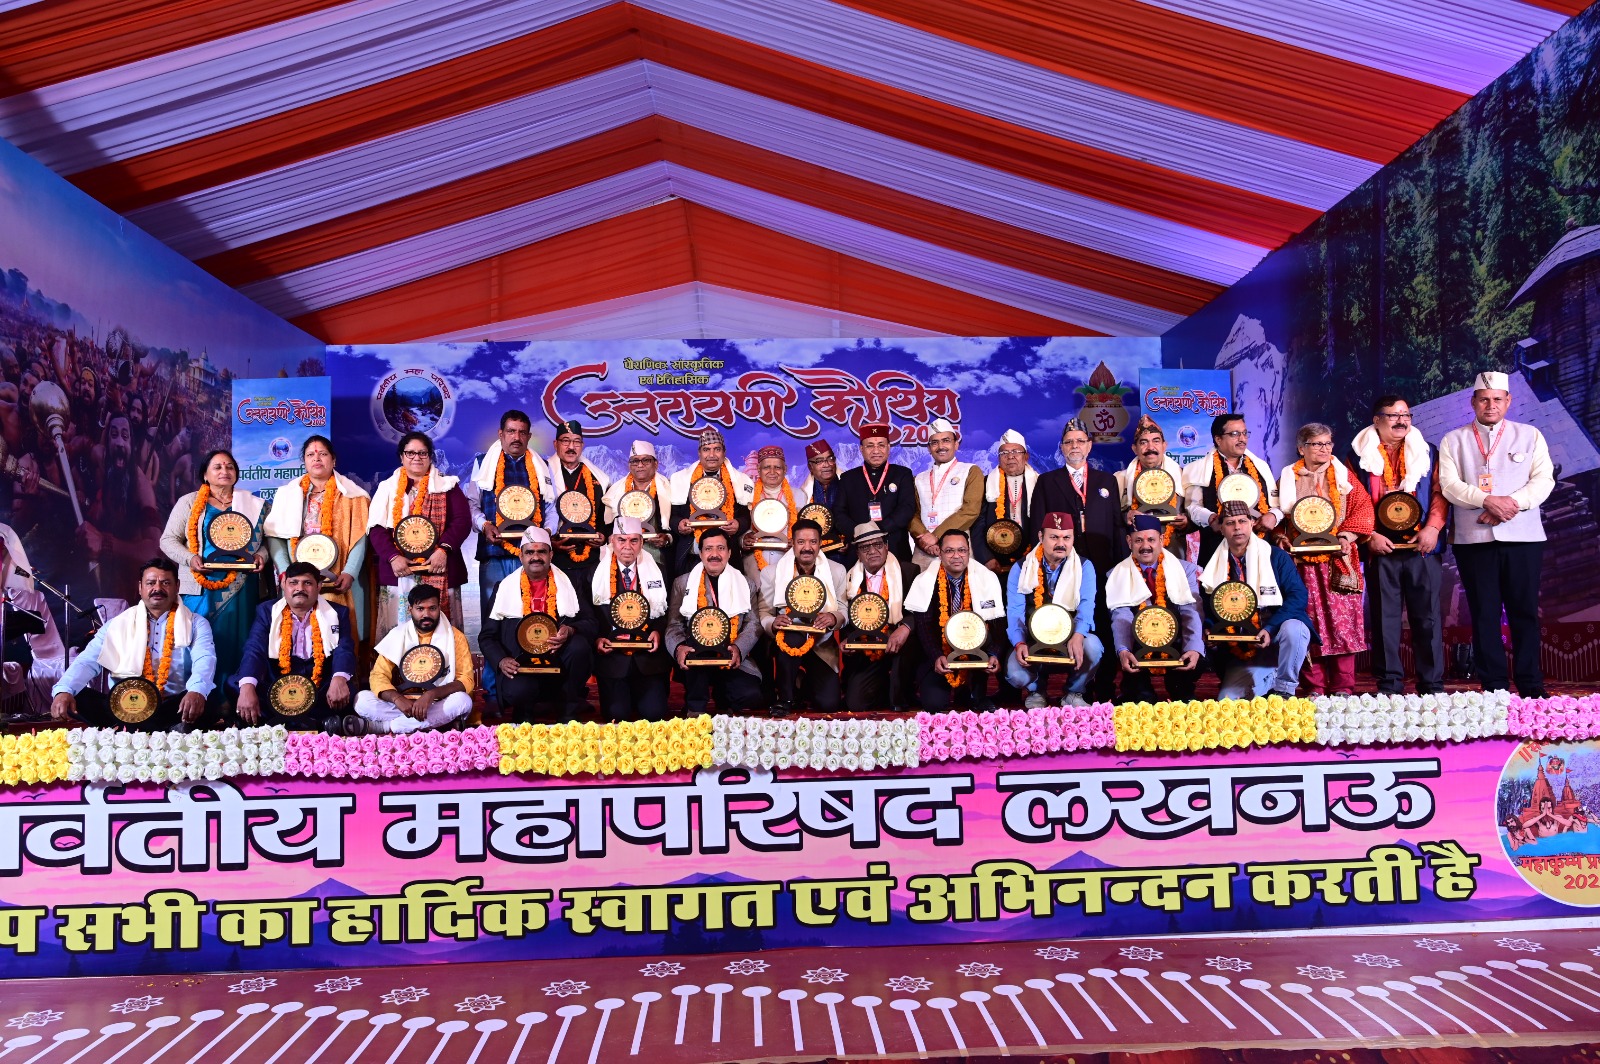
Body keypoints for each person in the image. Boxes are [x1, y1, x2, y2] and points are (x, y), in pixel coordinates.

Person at [1438, 371, 1553, 698]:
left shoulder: (1529, 435)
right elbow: (1449, 485)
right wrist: (1486, 500)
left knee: (1524, 611)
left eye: (1497, 399)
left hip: (1524, 538)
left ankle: (1531, 685)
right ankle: (1494, 687)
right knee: (1484, 613)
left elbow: (1543, 480)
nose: (1491, 405)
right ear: (1473, 402)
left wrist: (1510, 504)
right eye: (1484, 399)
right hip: (1474, 540)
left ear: (1508, 401)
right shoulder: (1454, 440)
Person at [1349, 395, 1448, 694]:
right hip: (1380, 546)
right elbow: (1351, 499)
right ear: (1376, 420)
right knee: (1384, 619)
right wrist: (1368, 535)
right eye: (1393, 415)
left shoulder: (1428, 451)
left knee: (1428, 617)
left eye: (1406, 415)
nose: (1401, 421)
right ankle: (1390, 684)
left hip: (1422, 545)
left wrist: (1433, 528)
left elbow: (1440, 492)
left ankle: (1432, 684)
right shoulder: (1357, 454)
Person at [50, 557, 216, 730]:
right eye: (150, 583)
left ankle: (127, 730)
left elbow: (204, 658)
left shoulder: (195, 623)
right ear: (140, 587)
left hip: (171, 706)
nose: (157, 588)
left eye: (165, 583)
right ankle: (146, 728)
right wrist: (64, 690)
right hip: (124, 706)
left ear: (177, 587)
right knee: (76, 695)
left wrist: (196, 691)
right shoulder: (117, 624)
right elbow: (88, 661)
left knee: (206, 697)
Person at [1028, 419, 1123, 700]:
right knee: (1054, 619)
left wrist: (1119, 566)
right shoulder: (1047, 481)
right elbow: (1037, 527)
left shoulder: (1107, 481)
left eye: (1080, 441)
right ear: (1061, 447)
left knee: (1102, 623)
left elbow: (1117, 526)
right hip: (1060, 567)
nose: (1075, 446)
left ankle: (1102, 685)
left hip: (1102, 565)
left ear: (1089, 446)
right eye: (1069, 442)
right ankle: (1047, 687)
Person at [1278, 423, 1374, 696]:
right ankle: (1314, 686)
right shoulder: (1287, 479)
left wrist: (1346, 536)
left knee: (1342, 625)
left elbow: (1364, 509)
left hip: (1338, 561)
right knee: (1308, 622)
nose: (1324, 449)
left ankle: (1343, 686)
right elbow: (1275, 514)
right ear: (1301, 449)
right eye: (1317, 444)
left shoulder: (1344, 477)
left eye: (1328, 443)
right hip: (1302, 566)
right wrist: (1280, 537)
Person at [159, 448, 266, 687]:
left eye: (229, 466)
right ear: (205, 475)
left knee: (239, 641)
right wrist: (190, 558)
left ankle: (235, 696)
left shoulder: (253, 504)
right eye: (217, 467)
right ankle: (198, 696)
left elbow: (266, 543)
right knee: (200, 641)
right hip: (200, 585)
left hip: (241, 585)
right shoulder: (189, 502)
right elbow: (167, 540)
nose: (224, 471)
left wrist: (261, 555)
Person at [262, 435, 371, 639]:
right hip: (297, 582)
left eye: (323, 454)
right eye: (310, 454)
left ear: (333, 460)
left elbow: (360, 537)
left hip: (338, 579)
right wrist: (286, 573)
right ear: (304, 461)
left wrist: (350, 572)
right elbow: (275, 537)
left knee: (340, 637)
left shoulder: (353, 495)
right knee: (297, 638)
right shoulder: (287, 495)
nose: (317, 458)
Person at [480, 527, 593, 722]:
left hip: (558, 661)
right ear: (521, 556)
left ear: (551, 554)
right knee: (520, 690)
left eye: (541, 551)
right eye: (529, 552)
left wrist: (571, 629)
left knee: (579, 646)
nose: (536, 557)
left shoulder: (570, 584)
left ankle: (567, 711)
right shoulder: (504, 587)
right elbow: (487, 636)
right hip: (520, 665)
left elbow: (591, 622)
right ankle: (524, 712)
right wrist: (502, 660)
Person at [367, 431, 472, 643]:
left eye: (422, 453)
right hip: (400, 572)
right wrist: (393, 557)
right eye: (411, 453)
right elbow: (376, 529)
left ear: (430, 456)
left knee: (444, 637)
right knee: (398, 639)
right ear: (401, 457)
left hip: (441, 567)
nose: (417, 457)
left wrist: (443, 550)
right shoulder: (387, 488)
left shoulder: (448, 486)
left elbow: (462, 521)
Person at [1200, 501, 1312, 699]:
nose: (1237, 527)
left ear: (1252, 523)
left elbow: (1298, 597)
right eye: (1230, 523)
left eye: (1242, 521)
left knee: (1296, 628)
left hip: (1275, 635)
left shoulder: (1275, 556)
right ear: (1221, 529)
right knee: (1227, 700)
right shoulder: (1214, 562)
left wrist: (1270, 628)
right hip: (1241, 645)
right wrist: (1209, 626)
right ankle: (1267, 677)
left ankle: (1285, 689)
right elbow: (1208, 602)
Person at [467, 411, 558, 642]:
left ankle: (530, 662)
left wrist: (546, 533)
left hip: (532, 556)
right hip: (494, 553)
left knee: (531, 613)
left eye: (522, 432)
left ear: (529, 436)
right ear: (501, 434)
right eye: (511, 431)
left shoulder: (542, 465)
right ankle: (495, 666)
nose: (516, 437)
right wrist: (485, 525)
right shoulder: (482, 463)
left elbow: (551, 507)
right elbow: (472, 505)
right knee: (493, 616)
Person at [233, 562, 357, 732]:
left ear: (319, 586)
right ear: (284, 584)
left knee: (348, 689)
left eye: (307, 583)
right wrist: (248, 687)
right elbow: (255, 649)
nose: (300, 588)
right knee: (236, 685)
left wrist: (339, 679)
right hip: (277, 681)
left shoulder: (337, 612)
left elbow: (344, 649)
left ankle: (283, 721)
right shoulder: (267, 611)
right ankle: (317, 721)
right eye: (294, 582)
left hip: (319, 683)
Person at [1004, 513, 1102, 707]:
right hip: (1032, 638)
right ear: (1041, 537)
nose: (1061, 543)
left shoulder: (1084, 566)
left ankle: (1073, 692)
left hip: (1069, 637)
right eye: (1054, 537)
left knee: (1093, 647)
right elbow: (1015, 612)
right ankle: (1036, 690)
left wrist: (1079, 635)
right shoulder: (1021, 567)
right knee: (1015, 674)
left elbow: (1086, 606)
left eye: (1067, 537)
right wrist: (1019, 642)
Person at [1107, 514, 1204, 703]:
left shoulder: (1186, 570)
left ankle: (1180, 686)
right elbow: (1121, 615)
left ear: (1161, 539)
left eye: (1151, 539)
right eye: (1138, 540)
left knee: (1185, 697)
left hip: (1176, 642)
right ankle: (1137, 690)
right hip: (1137, 645)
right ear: (1129, 542)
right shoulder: (1116, 574)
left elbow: (1190, 612)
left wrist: (1194, 648)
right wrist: (1123, 650)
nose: (1145, 546)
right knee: (1141, 702)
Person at [905, 529, 1004, 712]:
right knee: (934, 704)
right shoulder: (925, 581)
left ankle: (976, 693)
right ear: (940, 554)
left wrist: (994, 654)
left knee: (987, 631)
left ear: (969, 552)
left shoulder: (986, 579)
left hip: (975, 654)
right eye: (949, 551)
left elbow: (997, 622)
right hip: (941, 653)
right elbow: (924, 626)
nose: (956, 556)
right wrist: (936, 656)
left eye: (962, 550)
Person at [666, 527, 763, 713]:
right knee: (694, 661)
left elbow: (753, 624)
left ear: (729, 553)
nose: (714, 554)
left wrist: (738, 648)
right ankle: (695, 708)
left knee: (750, 695)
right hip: (695, 656)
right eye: (708, 549)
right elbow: (674, 625)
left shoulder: (745, 583)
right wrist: (679, 648)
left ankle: (723, 698)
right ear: (700, 553)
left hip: (730, 654)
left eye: (721, 548)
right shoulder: (682, 583)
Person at [354, 584, 474, 733]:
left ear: (439, 608)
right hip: (404, 703)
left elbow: (466, 679)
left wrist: (431, 694)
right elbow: (378, 675)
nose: (426, 614)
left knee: (462, 701)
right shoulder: (398, 635)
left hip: (437, 702)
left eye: (432, 608)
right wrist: (397, 699)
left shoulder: (455, 637)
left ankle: (386, 727)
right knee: (361, 699)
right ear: (410, 609)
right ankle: (423, 723)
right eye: (420, 609)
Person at [758, 519, 847, 714]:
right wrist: (773, 623)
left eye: (813, 542)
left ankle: (802, 683)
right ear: (792, 543)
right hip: (787, 642)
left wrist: (833, 618)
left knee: (829, 704)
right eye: (801, 542)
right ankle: (785, 698)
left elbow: (843, 609)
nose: (807, 547)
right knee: (792, 637)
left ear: (820, 543)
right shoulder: (772, 573)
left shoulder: (836, 571)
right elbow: (764, 612)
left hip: (821, 643)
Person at [592, 516, 672, 720]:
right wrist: (598, 638)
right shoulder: (594, 573)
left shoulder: (658, 570)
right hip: (613, 657)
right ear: (612, 541)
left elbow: (667, 611)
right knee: (617, 715)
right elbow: (589, 615)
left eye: (633, 540)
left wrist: (658, 631)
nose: (627, 546)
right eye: (622, 540)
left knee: (654, 713)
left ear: (641, 542)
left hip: (648, 656)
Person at [1183, 413, 1281, 561]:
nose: (1242, 439)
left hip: (1259, 545)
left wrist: (1273, 516)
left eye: (1244, 433)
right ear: (1218, 439)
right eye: (1235, 434)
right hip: (1216, 546)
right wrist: (1210, 519)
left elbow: (1277, 505)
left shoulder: (1261, 467)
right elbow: (1193, 507)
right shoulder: (1197, 468)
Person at [841, 521, 912, 712]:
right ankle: (881, 686)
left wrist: (905, 628)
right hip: (866, 646)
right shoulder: (849, 579)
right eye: (865, 547)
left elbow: (918, 612)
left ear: (886, 546)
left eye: (878, 544)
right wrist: (847, 639)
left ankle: (899, 693)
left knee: (898, 700)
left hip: (899, 644)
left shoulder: (908, 571)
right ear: (858, 553)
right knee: (856, 704)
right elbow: (845, 616)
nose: (873, 551)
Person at [669, 428, 753, 577]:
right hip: (691, 554)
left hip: (727, 556)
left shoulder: (739, 481)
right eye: (706, 449)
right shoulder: (680, 480)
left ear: (724, 452)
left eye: (717, 449)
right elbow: (672, 516)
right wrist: (679, 524)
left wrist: (739, 524)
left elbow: (746, 516)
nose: (712, 455)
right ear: (699, 453)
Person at [836, 423, 917, 571]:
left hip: (895, 547)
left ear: (888, 447)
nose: (876, 451)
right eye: (870, 446)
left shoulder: (902, 474)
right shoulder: (848, 478)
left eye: (881, 445)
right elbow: (839, 512)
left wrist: (878, 529)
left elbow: (907, 508)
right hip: (859, 547)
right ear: (861, 449)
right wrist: (859, 532)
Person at [910, 418, 983, 571]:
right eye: (934, 442)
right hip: (925, 549)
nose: (940, 446)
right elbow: (912, 513)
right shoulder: (919, 478)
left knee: (961, 586)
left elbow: (970, 510)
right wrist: (924, 539)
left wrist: (936, 536)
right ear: (929, 448)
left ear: (956, 444)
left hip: (958, 549)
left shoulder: (970, 471)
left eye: (946, 441)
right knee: (921, 585)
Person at [547, 419, 610, 587]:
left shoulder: (597, 479)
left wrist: (602, 536)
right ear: (555, 444)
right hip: (555, 558)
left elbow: (603, 517)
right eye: (565, 441)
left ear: (582, 446)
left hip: (590, 559)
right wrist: (548, 541)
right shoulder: (543, 474)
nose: (571, 447)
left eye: (576, 442)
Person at [1117, 416, 1193, 554]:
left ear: (1164, 446)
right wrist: (1125, 516)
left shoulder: (1183, 476)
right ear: (1134, 449)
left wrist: (1186, 523)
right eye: (1143, 442)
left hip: (1173, 551)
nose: (1150, 447)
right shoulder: (1120, 479)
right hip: (1135, 552)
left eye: (1156, 441)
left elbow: (1196, 515)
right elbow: (1109, 517)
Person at [602, 440, 674, 576]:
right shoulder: (615, 491)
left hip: (657, 558)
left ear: (656, 464)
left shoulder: (669, 489)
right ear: (629, 465)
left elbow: (676, 523)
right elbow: (606, 526)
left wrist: (667, 538)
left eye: (646, 460)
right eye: (635, 461)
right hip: (622, 560)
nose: (640, 465)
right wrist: (610, 536)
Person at [972, 429, 1038, 573]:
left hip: (1033, 559)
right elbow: (978, 523)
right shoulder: (986, 483)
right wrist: (986, 558)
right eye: (1004, 453)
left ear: (1026, 456)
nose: (1010, 456)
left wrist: (1037, 554)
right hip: (995, 561)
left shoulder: (1040, 483)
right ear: (998, 458)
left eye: (1016, 451)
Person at [742, 445, 809, 584]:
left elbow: (805, 531)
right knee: (758, 597)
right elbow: (740, 526)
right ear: (759, 469)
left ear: (785, 469)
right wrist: (744, 539)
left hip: (788, 560)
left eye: (777, 467)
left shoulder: (799, 496)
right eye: (767, 467)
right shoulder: (747, 496)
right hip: (754, 563)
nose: (772, 472)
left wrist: (798, 541)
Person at [800, 439, 845, 553]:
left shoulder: (848, 485)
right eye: (819, 461)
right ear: (810, 467)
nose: (827, 465)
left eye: (830, 459)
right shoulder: (803, 494)